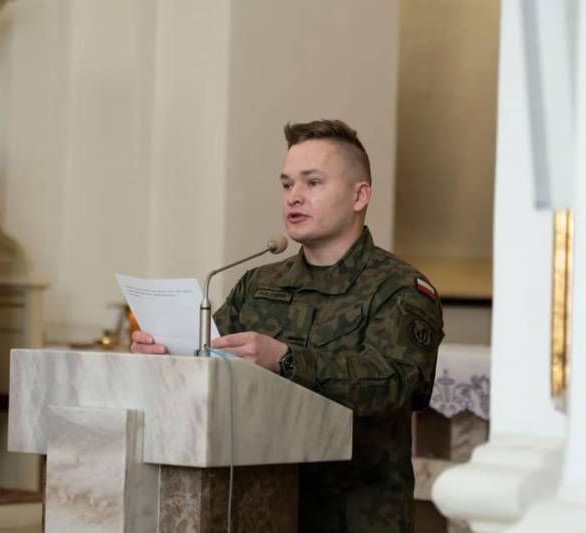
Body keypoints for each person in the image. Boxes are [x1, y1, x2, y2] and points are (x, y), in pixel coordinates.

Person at [131, 119, 444, 532]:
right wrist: (166, 356)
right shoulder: (259, 284)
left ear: (359, 195)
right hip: (255, 506)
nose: (293, 196)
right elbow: (210, 367)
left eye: (312, 182)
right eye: (286, 184)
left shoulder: (399, 287)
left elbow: (398, 384)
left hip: (353, 514)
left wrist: (287, 360)